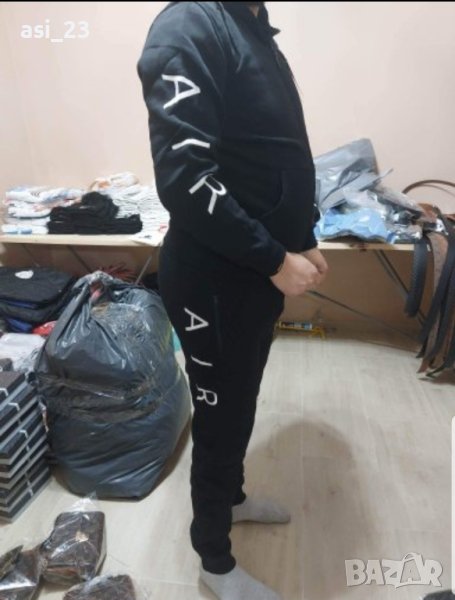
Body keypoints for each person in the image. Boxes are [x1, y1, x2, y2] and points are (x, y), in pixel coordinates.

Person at [137, 2, 328, 598]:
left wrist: (302, 237)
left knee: (240, 401)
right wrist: (274, 258)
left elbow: (267, 152)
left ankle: (232, 498)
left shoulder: (252, 28)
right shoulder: (189, 25)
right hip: (215, 280)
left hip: (253, 274)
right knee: (221, 416)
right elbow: (185, 177)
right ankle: (214, 561)